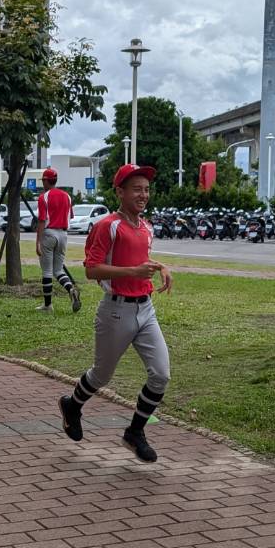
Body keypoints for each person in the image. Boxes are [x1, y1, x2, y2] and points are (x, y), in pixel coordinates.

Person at [58, 164, 172, 462]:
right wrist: (133, 271)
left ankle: (135, 432)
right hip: (116, 312)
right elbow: (92, 270)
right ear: (119, 191)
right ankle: (73, 405)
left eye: (146, 189)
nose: (143, 194)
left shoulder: (146, 227)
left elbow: (138, 259)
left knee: (161, 374)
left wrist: (158, 267)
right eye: (136, 189)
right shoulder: (107, 225)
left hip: (146, 309)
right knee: (101, 375)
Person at [34, 167, 81, 313]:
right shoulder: (67, 196)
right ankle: (71, 289)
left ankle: (48, 306)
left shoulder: (44, 197)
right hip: (63, 234)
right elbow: (70, 216)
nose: (43, 183)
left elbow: (42, 220)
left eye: (43, 180)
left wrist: (38, 242)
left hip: (49, 234)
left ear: (47, 181)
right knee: (58, 270)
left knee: (47, 271)